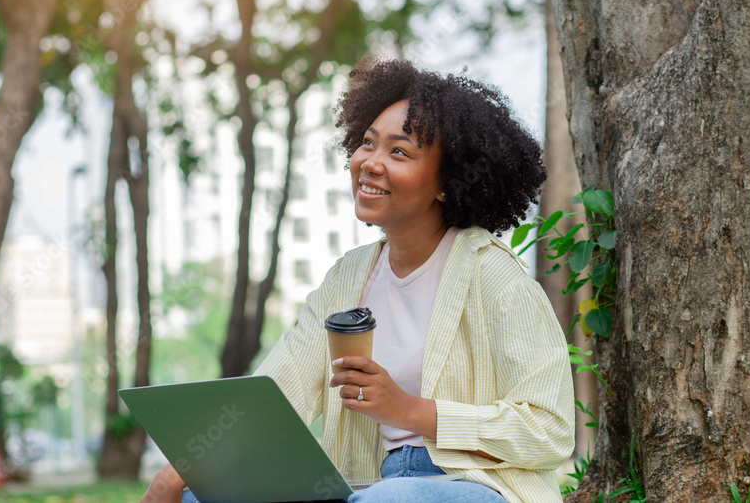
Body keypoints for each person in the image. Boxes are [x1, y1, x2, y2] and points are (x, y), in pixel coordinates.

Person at [141, 56, 575, 503]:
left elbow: (550, 430)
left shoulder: (495, 277)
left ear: (446, 183)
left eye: (399, 151)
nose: (369, 163)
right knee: (205, 497)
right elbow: (272, 397)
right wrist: (177, 474)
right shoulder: (347, 278)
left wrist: (409, 410)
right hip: (371, 485)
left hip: (479, 485)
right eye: (368, 143)